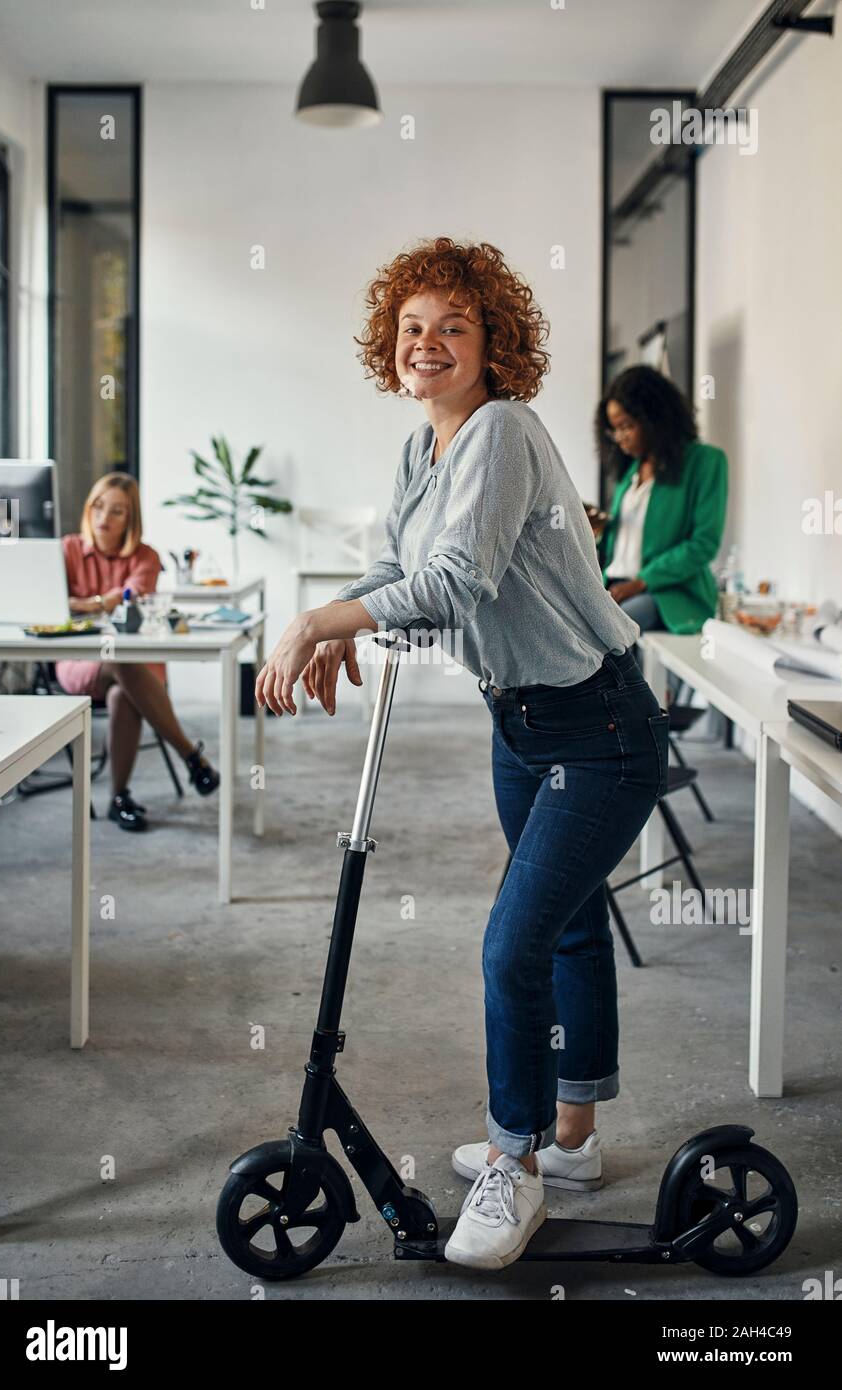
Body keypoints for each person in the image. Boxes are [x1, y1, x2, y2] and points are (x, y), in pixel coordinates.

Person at [254, 236, 670, 1271]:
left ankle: (516, 1165)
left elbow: (449, 584)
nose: (426, 344)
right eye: (410, 328)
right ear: (388, 347)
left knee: (511, 947)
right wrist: (351, 616)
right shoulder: (422, 447)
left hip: (600, 725)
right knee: (565, 930)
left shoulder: (500, 432)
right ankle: (568, 1144)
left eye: (452, 326)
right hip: (519, 721)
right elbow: (395, 561)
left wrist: (317, 621)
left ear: (494, 342)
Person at [55, 472, 219, 831]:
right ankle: (191, 756)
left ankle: (119, 798)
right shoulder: (67, 549)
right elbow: (54, 601)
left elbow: (126, 598)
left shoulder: (146, 556)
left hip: (138, 666)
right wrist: (97, 602)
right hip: (80, 661)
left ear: (131, 519)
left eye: (116, 511)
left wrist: (81, 604)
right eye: (99, 506)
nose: (103, 517)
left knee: (122, 693)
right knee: (121, 664)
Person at [594, 365, 728, 644]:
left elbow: (703, 543)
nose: (620, 438)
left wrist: (642, 581)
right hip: (617, 588)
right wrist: (594, 531)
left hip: (666, 594)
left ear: (655, 417)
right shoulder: (631, 471)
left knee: (600, 635)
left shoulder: (706, 462)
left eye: (627, 426)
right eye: (614, 430)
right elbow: (622, 546)